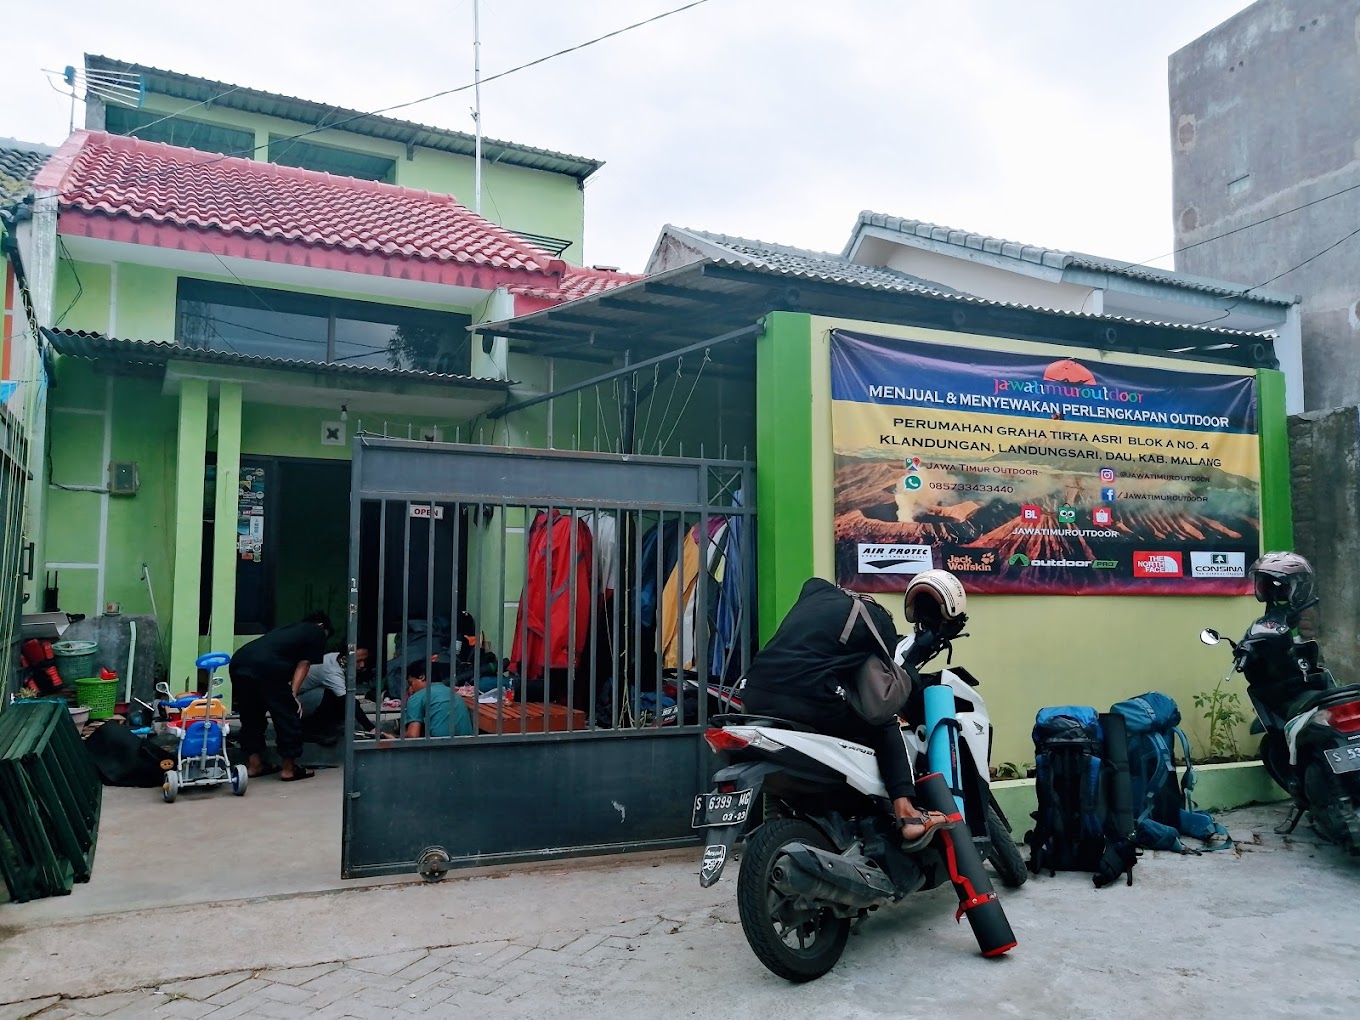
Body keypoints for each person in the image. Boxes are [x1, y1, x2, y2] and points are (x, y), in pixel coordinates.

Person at [738, 572, 967, 849]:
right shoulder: (870, 623)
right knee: (884, 722)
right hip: (805, 699)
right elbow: (883, 696)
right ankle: (907, 814)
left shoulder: (812, 612)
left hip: (753, 693)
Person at [229, 612, 332, 781]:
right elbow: (304, 664)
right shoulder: (317, 631)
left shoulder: (286, 631)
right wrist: (293, 694)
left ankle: (255, 766)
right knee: (287, 716)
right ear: (322, 626)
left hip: (240, 661)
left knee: (251, 716)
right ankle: (288, 769)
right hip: (267, 667)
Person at [299, 647, 381, 741]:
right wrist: (371, 728)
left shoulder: (338, 658)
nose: (362, 665)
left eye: (364, 660)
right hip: (297, 703)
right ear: (346, 658)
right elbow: (348, 702)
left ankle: (331, 727)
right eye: (358, 661)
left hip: (307, 698)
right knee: (335, 697)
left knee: (347, 701)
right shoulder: (332, 671)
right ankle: (314, 730)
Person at [402, 661, 475, 739]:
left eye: (411, 683)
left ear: (422, 677)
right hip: (466, 747)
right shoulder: (454, 694)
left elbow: (413, 736)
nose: (411, 689)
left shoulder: (417, 697)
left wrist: (396, 738)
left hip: (438, 748)